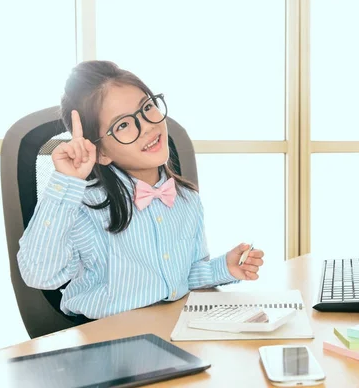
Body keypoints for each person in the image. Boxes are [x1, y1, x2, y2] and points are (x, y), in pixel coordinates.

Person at [17, 60, 264, 320]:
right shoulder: (84, 206)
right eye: (122, 125)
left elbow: (180, 276)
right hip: (106, 336)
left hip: (171, 327)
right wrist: (66, 183)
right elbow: (39, 274)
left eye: (147, 107)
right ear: (100, 152)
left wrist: (223, 268)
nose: (146, 126)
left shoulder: (186, 199)